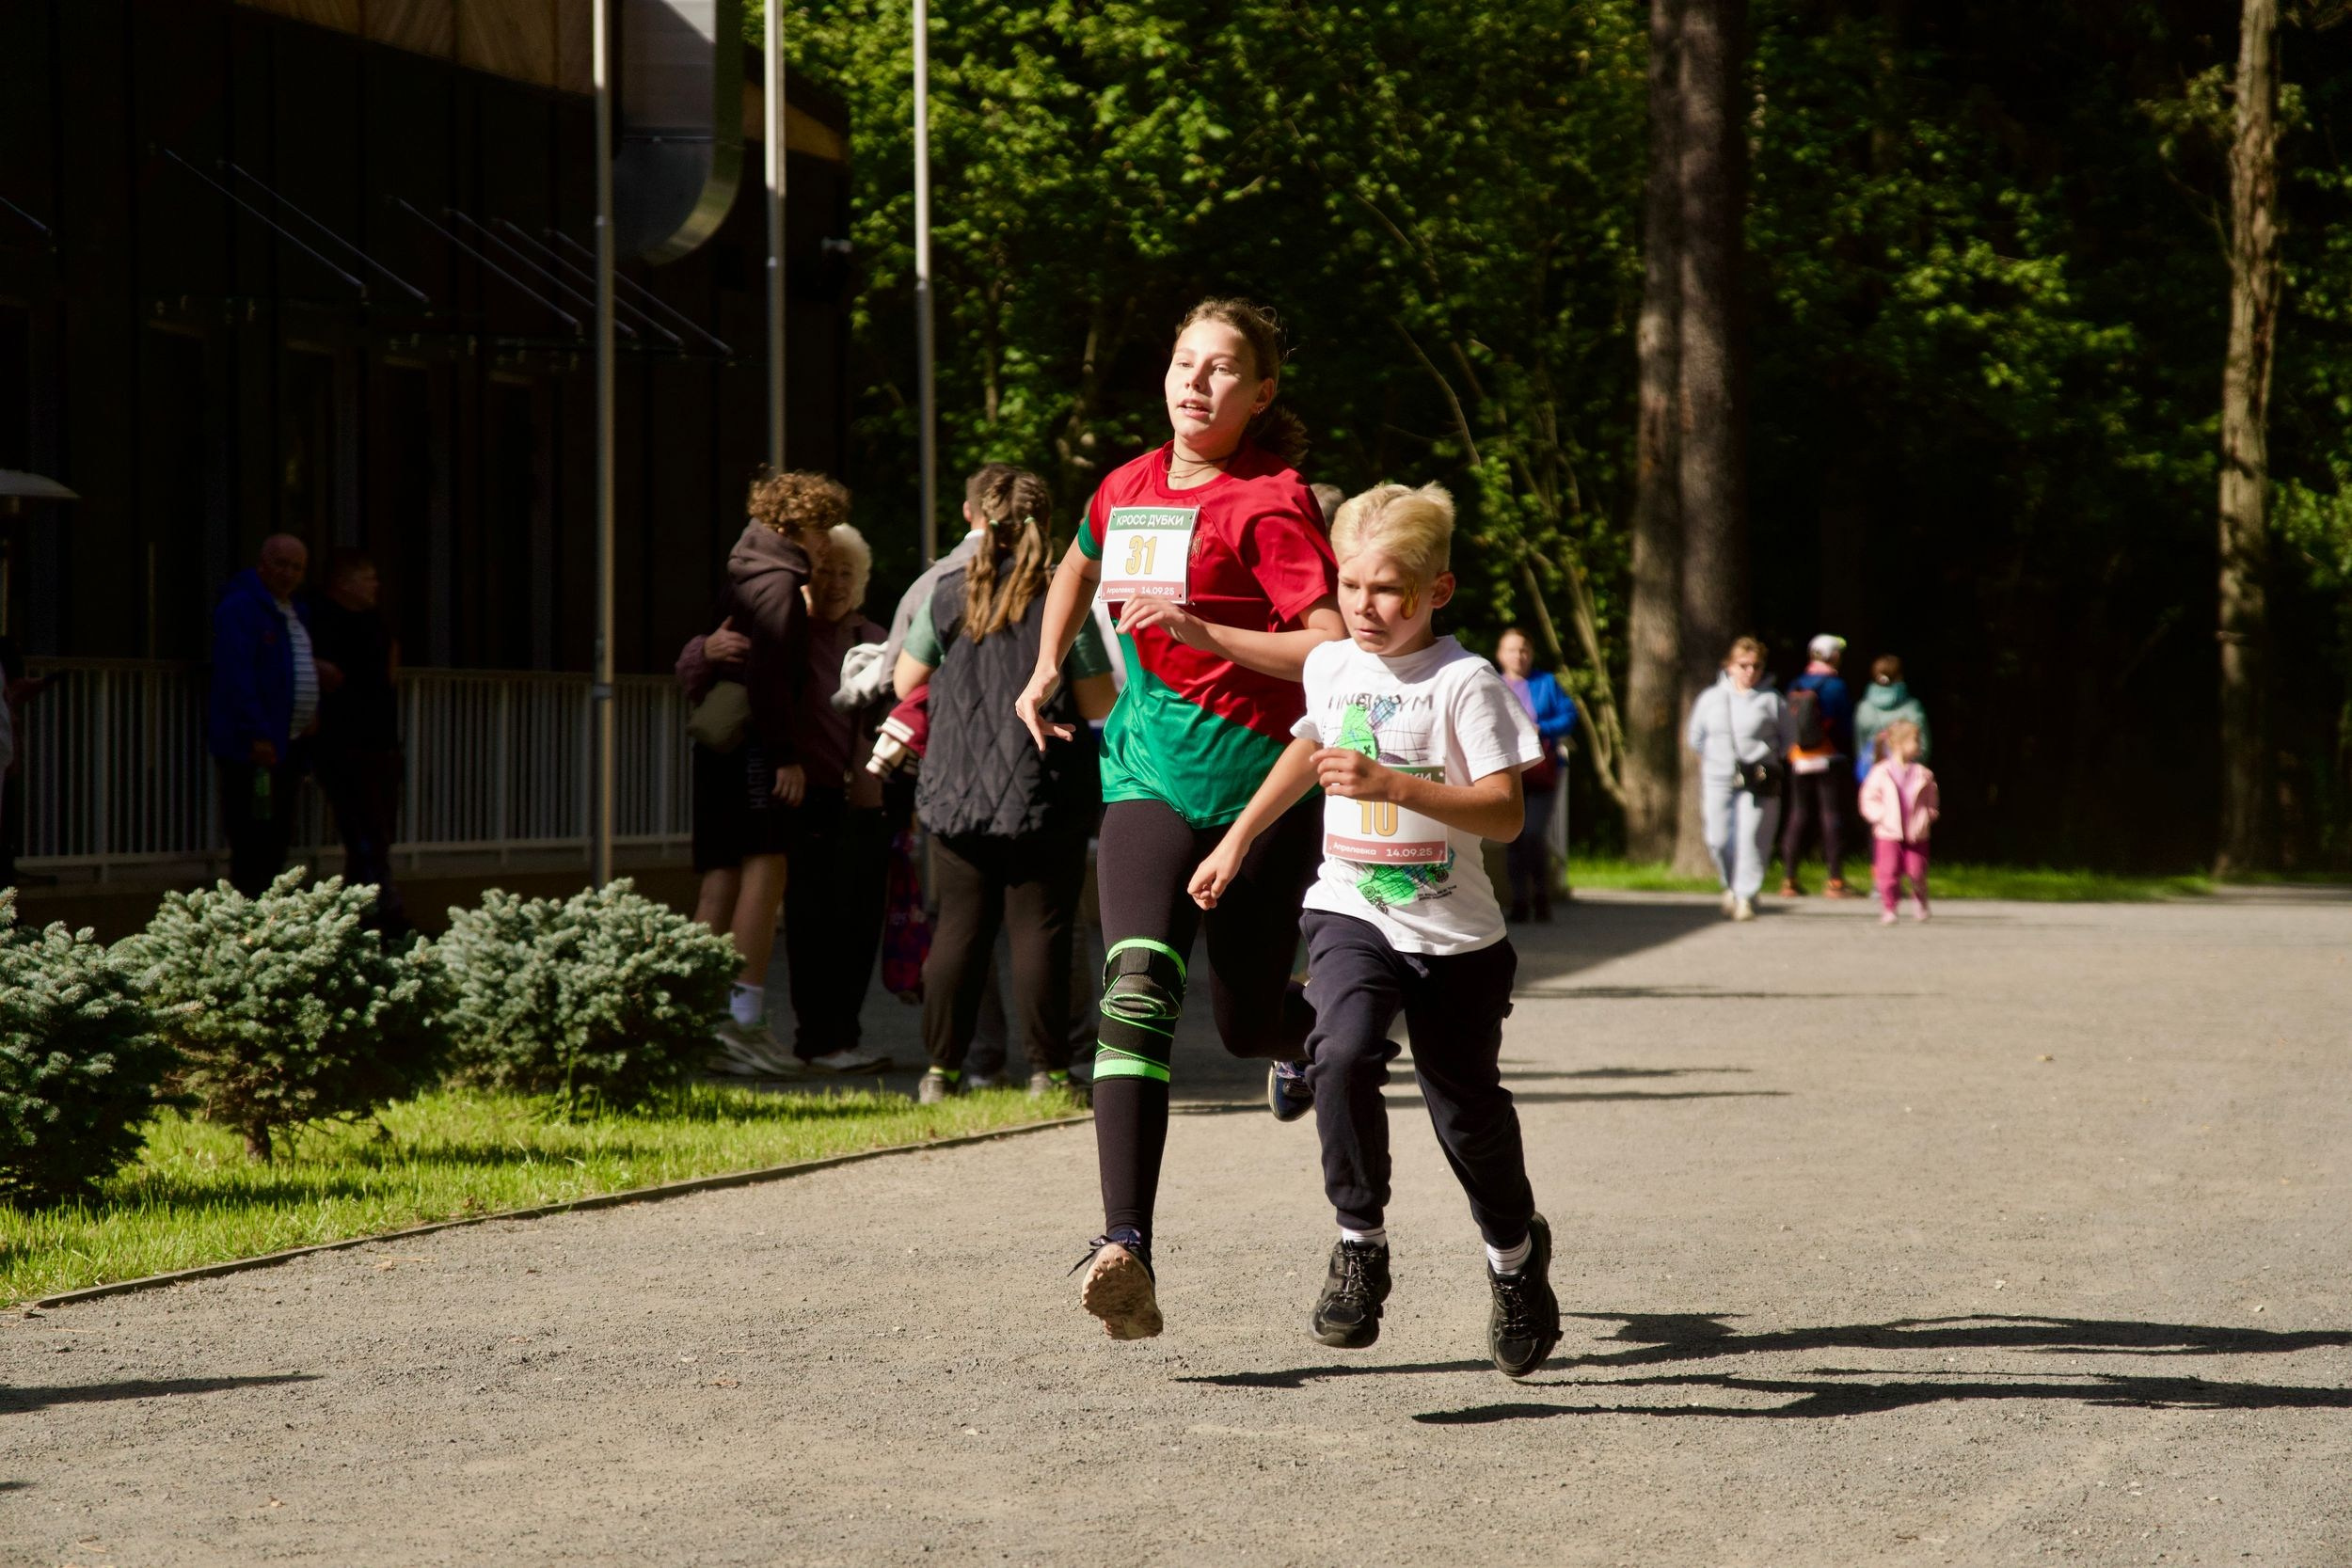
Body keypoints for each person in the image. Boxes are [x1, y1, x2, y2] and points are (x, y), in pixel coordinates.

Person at [1014, 296, 1343, 1341]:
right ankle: (1125, 1245)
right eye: (1183, 363)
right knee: (1139, 984)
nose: (1194, 382)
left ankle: (1304, 1042)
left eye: (1220, 369)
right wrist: (1044, 665)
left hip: (1256, 790)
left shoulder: (1271, 502)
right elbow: (1077, 556)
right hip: (1147, 772)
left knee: (1246, 1017)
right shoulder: (1125, 484)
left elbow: (1328, 648)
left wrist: (1204, 628)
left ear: (1260, 392)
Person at [1187, 482, 1560, 1378]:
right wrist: (1239, 838)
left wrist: (1393, 785)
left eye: (1387, 589)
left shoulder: (1463, 682)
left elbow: (1505, 814)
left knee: (1466, 1115)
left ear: (1439, 589)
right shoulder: (1333, 664)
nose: (1364, 606)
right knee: (1342, 1050)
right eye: (1350, 585)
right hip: (1352, 906)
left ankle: (1515, 1263)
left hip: (1455, 935)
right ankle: (1360, 1246)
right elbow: (1305, 750)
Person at [898, 467, 1115, 1105]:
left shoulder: (945, 594)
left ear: (976, 519)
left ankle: (940, 1071)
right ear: (1046, 524)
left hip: (955, 787)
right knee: (1041, 929)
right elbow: (1098, 697)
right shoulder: (1059, 600)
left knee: (959, 928)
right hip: (1043, 784)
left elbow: (906, 678)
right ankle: (1049, 1071)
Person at [704, 470, 844, 1073]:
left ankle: (696, 1014)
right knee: (767, 871)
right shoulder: (782, 584)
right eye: (821, 531)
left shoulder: (741, 567)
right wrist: (786, 755)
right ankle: (740, 1024)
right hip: (761, 752)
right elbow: (769, 681)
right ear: (795, 526)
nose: (826, 546)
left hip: (721, 745)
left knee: (721, 876)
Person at [777, 523, 895, 1072]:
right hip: (807, 799)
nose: (836, 583)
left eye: (847, 573)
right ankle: (817, 1040)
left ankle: (841, 1037)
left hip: (866, 801)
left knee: (860, 920)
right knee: (811, 922)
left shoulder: (872, 635)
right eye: (826, 571)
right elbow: (700, 666)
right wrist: (707, 648)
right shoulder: (787, 630)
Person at [207, 533, 320, 896]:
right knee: (253, 833)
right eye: (281, 564)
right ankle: (247, 909)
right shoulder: (242, 607)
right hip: (255, 748)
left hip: (289, 744)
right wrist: (257, 732)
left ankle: (270, 908)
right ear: (262, 565)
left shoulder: (294, 610)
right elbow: (237, 675)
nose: (288, 573)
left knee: (278, 834)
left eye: (297, 567)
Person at [310, 550, 408, 937]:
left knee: (377, 834)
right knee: (364, 831)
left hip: (380, 741)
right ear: (344, 582)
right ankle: (384, 915)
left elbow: (390, 668)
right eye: (368, 578)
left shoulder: (375, 623)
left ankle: (363, 915)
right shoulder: (320, 620)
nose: (376, 586)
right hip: (343, 744)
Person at [1686, 636, 1793, 922]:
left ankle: (1745, 894)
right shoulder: (1711, 698)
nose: (1750, 672)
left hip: (1758, 779)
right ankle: (1730, 884)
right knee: (1718, 839)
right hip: (1719, 776)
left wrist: (1768, 759)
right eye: (1743, 665)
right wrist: (1713, 762)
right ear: (1729, 666)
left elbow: (1788, 738)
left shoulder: (1772, 700)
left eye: (1756, 666)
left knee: (1750, 836)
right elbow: (1695, 738)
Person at [1494, 626, 1576, 922]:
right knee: (1513, 836)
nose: (1519, 656)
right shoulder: (1493, 684)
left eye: (1524, 649)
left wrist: (1543, 729)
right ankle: (1518, 901)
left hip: (1543, 771)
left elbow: (1569, 715)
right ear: (1501, 655)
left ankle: (1541, 895)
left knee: (1533, 834)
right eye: (1513, 650)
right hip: (1509, 770)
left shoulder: (1547, 683)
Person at [1779, 633, 1854, 898]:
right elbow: (1844, 724)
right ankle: (1835, 881)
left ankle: (1789, 879)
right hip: (1827, 757)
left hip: (1798, 757)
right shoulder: (1836, 686)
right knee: (1830, 814)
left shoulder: (1795, 684)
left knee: (1797, 814)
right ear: (1833, 656)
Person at [1859, 718, 1939, 924]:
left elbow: (1931, 796)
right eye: (1915, 740)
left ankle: (1920, 899)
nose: (1919, 745)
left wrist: (1929, 814)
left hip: (1916, 833)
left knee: (1916, 870)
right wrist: (1880, 816)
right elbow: (1868, 797)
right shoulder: (1880, 772)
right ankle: (1889, 907)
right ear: (1899, 744)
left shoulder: (1923, 774)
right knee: (1888, 871)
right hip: (1888, 832)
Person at [1852, 654, 1931, 779]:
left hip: (1873, 777)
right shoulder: (1912, 707)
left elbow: (1860, 749)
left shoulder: (1863, 708)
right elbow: (1923, 748)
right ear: (1900, 677)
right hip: (1908, 778)